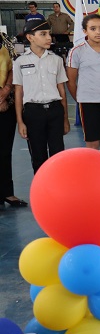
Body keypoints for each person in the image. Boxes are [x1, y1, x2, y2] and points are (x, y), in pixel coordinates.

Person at [12, 19, 69, 173]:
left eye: (49, 34)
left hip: (55, 111)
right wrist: (20, 122)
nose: (49, 38)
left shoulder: (57, 60)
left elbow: (62, 91)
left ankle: (58, 186)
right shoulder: (20, 62)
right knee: (38, 156)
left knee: (58, 155)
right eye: (43, 34)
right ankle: (41, 187)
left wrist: (65, 119)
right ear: (30, 37)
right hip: (33, 112)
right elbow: (19, 92)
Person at [66, 14, 100, 160]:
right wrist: (81, 99)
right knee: (93, 145)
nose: (98, 32)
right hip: (88, 103)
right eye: (93, 28)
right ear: (85, 31)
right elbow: (71, 81)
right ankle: (94, 174)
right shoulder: (76, 52)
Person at [0, 40, 27, 208]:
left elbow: (14, 67)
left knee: (4, 151)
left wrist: (5, 91)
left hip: (6, 105)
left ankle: (6, 193)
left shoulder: (5, 41)